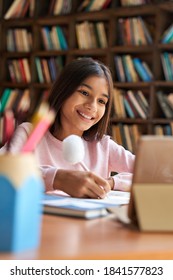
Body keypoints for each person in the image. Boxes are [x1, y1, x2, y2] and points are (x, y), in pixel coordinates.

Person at [0, 58, 135, 198]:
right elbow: (4, 170)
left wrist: (113, 182)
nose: (92, 106)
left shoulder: (103, 146)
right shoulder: (29, 133)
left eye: (101, 101)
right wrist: (57, 179)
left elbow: (151, 174)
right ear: (64, 91)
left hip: (87, 220)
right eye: (84, 93)